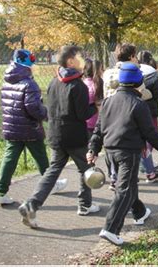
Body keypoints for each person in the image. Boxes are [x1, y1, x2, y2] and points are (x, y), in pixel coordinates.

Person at [18, 46, 99, 229]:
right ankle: (85, 205)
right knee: (87, 169)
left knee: (53, 170)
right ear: (70, 61)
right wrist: (96, 107)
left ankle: (31, 204)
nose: (83, 59)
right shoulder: (78, 85)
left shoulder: (54, 81)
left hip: (56, 134)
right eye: (79, 56)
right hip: (75, 137)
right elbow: (82, 114)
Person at [87, 63, 158, 246]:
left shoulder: (108, 101)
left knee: (129, 184)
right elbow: (149, 131)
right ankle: (110, 228)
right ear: (139, 82)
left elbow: (98, 129)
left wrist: (93, 149)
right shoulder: (138, 104)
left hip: (110, 152)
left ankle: (139, 212)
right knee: (124, 189)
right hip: (128, 152)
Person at [0, 49, 67, 205]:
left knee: (9, 158)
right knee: (41, 157)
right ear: (27, 64)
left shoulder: (7, 80)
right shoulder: (29, 83)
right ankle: (50, 184)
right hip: (30, 127)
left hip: (12, 127)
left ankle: (0, 191)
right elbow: (33, 107)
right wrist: (46, 115)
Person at [102, 43, 154, 188]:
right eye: (135, 55)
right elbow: (142, 93)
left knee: (112, 149)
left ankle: (114, 177)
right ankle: (142, 174)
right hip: (129, 113)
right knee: (134, 147)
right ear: (131, 56)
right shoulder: (134, 73)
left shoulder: (108, 73)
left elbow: (105, 94)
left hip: (110, 112)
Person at [136, 50, 158, 183]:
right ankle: (147, 166)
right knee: (150, 137)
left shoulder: (132, 72)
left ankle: (144, 165)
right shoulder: (151, 73)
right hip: (150, 110)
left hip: (133, 110)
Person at [83, 59, 104, 140]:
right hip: (95, 122)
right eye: (102, 68)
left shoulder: (83, 83)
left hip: (85, 122)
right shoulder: (97, 85)